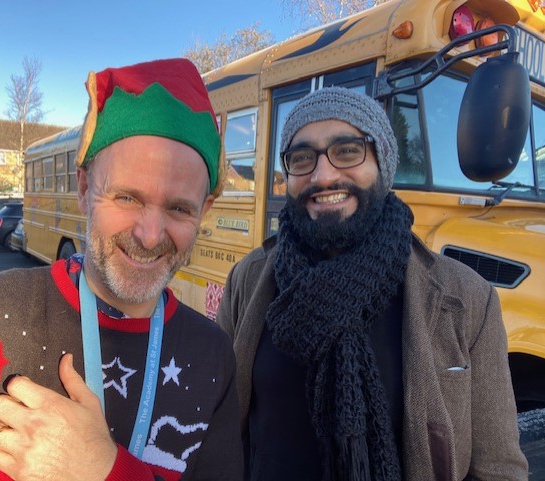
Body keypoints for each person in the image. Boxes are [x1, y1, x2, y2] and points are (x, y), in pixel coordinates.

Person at [0, 58, 243, 481]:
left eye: (178, 208)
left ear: (204, 209)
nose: (152, 235)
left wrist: (106, 471)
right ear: (85, 189)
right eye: (127, 198)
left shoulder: (212, 357)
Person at [216, 87, 528, 480]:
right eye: (302, 158)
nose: (323, 175)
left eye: (347, 151)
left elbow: (499, 469)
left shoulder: (466, 299)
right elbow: (217, 433)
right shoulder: (249, 280)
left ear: (383, 164)